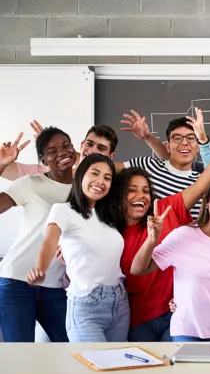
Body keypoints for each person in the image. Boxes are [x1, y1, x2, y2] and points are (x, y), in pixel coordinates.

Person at [115, 117, 210, 342]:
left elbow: (203, 185)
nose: (139, 195)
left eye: (145, 190)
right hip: (136, 312)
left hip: (176, 306)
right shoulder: (112, 226)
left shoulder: (166, 209)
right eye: (132, 190)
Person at [130, 172, 210, 341]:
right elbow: (138, 269)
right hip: (188, 332)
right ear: (208, 201)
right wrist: (152, 239)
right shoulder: (183, 236)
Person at [26, 154, 128, 342]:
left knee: (117, 368)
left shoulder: (110, 215)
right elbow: (50, 240)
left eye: (107, 178)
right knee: (94, 367)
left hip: (120, 302)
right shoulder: (64, 210)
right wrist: (40, 267)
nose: (100, 181)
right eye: (95, 174)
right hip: (86, 302)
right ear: (80, 175)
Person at [0, 128, 76, 342]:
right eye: (52, 151)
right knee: (21, 356)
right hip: (16, 281)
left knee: (71, 348)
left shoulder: (84, 190)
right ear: (43, 159)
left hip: (55, 287)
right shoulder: (30, 183)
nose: (62, 152)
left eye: (65, 145)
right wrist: (2, 165)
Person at [116, 108, 210, 219]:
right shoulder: (147, 164)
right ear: (168, 146)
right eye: (177, 138)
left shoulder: (204, 184)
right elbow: (106, 170)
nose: (184, 143)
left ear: (198, 147)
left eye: (191, 138)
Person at [1, 123, 120, 180]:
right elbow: (9, 171)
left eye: (101, 148)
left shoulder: (113, 181)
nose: (93, 150)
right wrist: (2, 161)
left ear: (111, 156)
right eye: (89, 144)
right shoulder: (51, 173)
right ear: (82, 145)